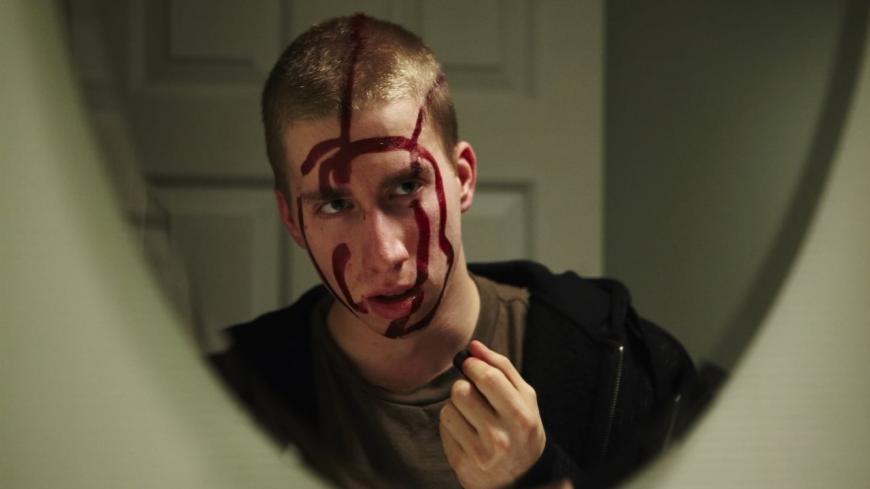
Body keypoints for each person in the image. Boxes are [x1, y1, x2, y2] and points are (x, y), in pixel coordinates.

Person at [210, 13, 698, 489]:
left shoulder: (626, 367)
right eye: (335, 204)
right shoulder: (219, 396)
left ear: (462, 178)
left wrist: (539, 477)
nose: (385, 253)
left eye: (406, 187)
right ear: (291, 218)